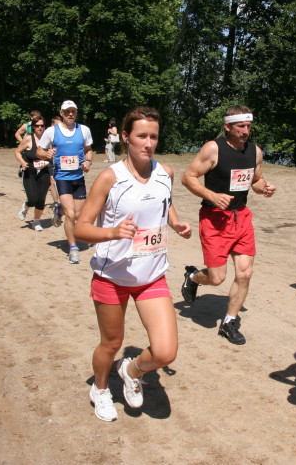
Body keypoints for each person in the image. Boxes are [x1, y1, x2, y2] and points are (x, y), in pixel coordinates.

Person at [74, 106, 192, 422]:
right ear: (126, 137)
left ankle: (131, 370)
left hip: (151, 275)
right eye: (141, 136)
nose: (148, 143)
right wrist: (112, 232)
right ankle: (100, 389)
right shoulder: (110, 178)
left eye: (153, 136)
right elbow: (81, 227)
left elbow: (164, 204)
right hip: (112, 274)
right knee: (112, 343)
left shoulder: (164, 172)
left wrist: (177, 223)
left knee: (165, 352)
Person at [180, 105, 276, 345]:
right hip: (214, 219)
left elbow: (255, 180)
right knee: (217, 278)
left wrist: (264, 187)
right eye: (241, 126)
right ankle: (193, 277)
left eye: (248, 126)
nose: (246, 131)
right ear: (228, 127)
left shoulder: (255, 152)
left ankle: (229, 322)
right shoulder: (213, 149)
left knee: (245, 272)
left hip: (241, 217)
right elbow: (188, 177)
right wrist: (211, 195)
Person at [37, 100, 94, 263]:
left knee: (76, 214)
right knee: (70, 214)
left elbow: (89, 151)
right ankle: (73, 248)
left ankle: (57, 211)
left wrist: (88, 162)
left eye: (73, 111)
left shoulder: (83, 130)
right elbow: (39, 151)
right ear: (61, 113)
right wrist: (46, 155)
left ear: (76, 113)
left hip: (78, 178)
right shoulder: (51, 131)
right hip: (62, 178)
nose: (70, 114)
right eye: (67, 111)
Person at [14, 116, 52, 231]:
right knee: (33, 199)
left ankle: (36, 221)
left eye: (42, 126)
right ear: (33, 127)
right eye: (37, 126)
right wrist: (22, 162)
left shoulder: (49, 140)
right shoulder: (28, 139)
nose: (40, 128)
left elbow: (53, 154)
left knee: (41, 199)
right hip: (29, 171)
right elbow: (17, 152)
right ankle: (26, 206)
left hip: (44, 172)